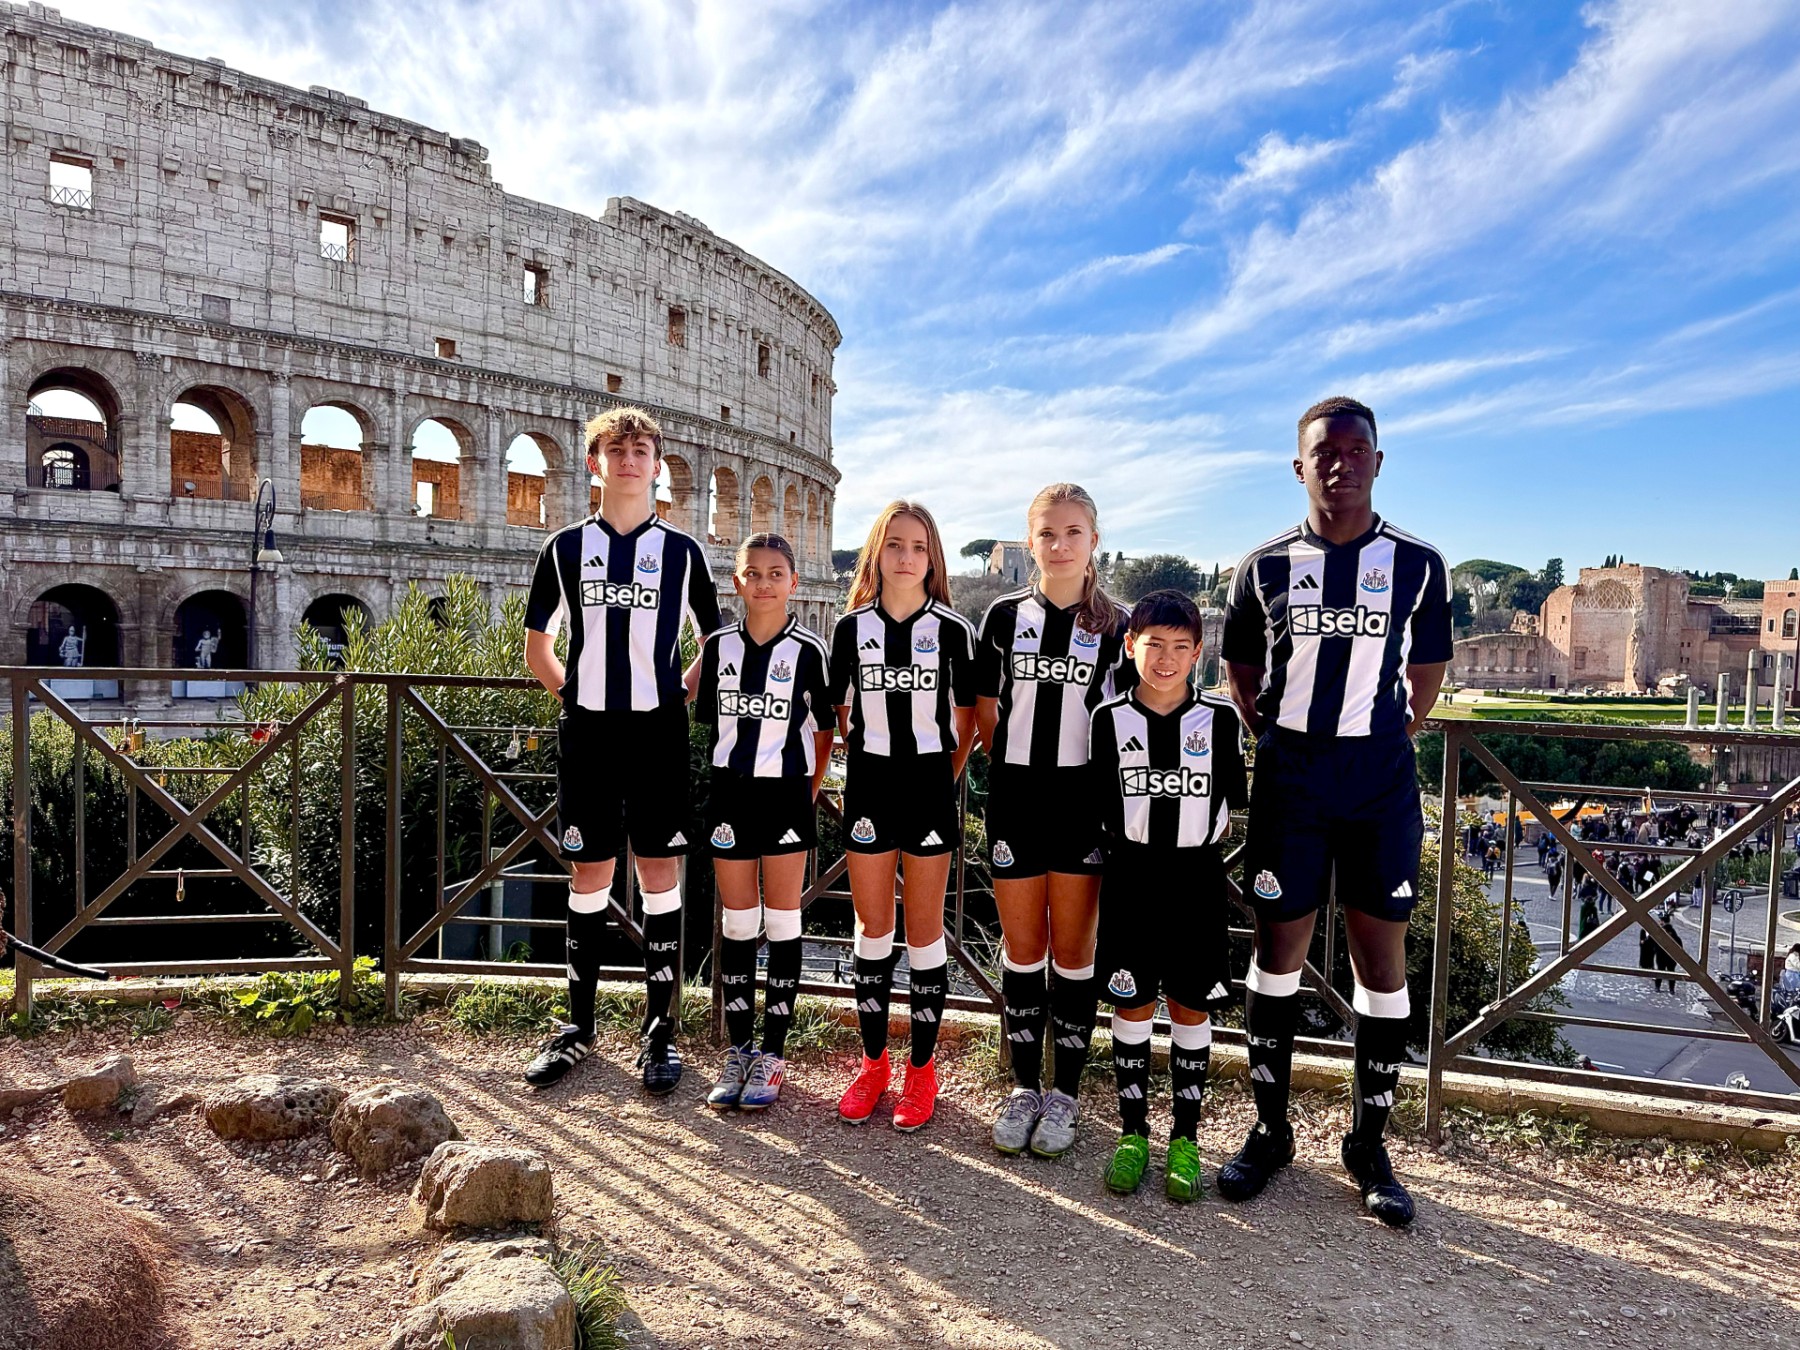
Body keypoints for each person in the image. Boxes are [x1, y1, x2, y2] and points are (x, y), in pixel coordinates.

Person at [1219, 395, 1452, 1227]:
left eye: (1357, 450)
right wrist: (1280, 740)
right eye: (1325, 452)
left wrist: (1391, 733)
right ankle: (1270, 1131)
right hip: (1292, 779)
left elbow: (1428, 670)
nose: (1341, 464)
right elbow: (1240, 669)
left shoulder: (1419, 563)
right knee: (1276, 953)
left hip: (1379, 782)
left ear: (1378, 462)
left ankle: (1368, 1146)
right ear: (1300, 466)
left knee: (1380, 964)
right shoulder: (1264, 566)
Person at [521, 407, 723, 1093]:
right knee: (590, 875)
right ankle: (578, 1029)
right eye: (617, 450)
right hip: (590, 732)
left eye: (641, 450)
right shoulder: (564, 549)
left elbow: (714, 643)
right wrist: (577, 699)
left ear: (658, 466)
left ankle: (659, 1032)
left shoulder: (683, 552)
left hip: (658, 733)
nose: (630, 460)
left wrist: (678, 696)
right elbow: (538, 646)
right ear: (594, 464)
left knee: (660, 874)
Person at [976, 484, 1134, 1159]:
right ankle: (1023, 1088)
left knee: (1072, 955)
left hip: (1082, 806)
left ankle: (1065, 1092)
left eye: (1073, 533)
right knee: (1023, 951)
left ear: (1094, 540)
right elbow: (987, 712)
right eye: (1047, 533)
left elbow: (1132, 717)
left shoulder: (1119, 625)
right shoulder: (1004, 617)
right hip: (1016, 798)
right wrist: (1016, 769)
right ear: (1029, 541)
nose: (1060, 545)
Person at [1089, 590, 1247, 1200]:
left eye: (1181, 647)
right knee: (1131, 1004)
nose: (1166, 658)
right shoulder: (1109, 719)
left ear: (1198, 652)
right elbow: (1102, 804)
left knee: (1190, 1006)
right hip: (1131, 876)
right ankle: (1133, 1134)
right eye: (1154, 644)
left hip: (1196, 878)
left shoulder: (1221, 720)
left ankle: (1185, 1138)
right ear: (1131, 646)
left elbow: (1230, 803)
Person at [829, 501, 977, 1131]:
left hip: (928, 787)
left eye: (918, 546)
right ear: (876, 553)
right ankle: (873, 1065)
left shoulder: (953, 630)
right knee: (871, 925)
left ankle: (921, 1070)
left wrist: (938, 776)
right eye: (894, 544)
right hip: (869, 785)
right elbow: (841, 714)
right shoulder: (849, 629)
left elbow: (966, 722)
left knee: (923, 931)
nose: (906, 557)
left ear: (933, 558)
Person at [692, 533, 835, 1112]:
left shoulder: (810, 650)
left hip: (785, 797)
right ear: (737, 582)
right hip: (729, 795)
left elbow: (825, 732)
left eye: (776, 573)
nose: (764, 583)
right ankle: (739, 1049)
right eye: (753, 573)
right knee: (737, 921)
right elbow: (710, 721)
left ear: (793, 582)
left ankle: (773, 1054)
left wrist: (806, 790)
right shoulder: (718, 647)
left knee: (781, 920)